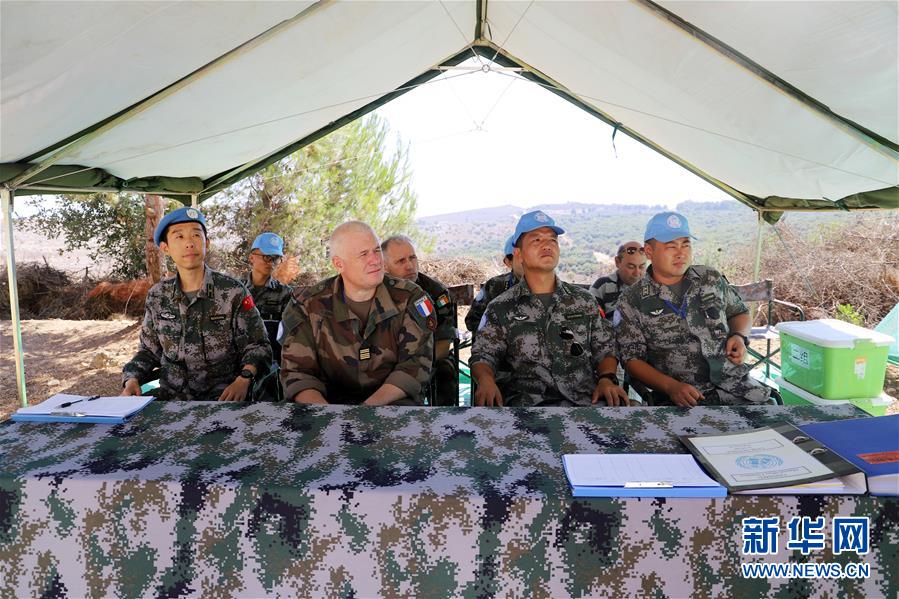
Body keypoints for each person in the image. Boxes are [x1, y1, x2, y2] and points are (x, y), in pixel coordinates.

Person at [470, 210, 629, 407]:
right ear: (518, 253)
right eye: (536, 240)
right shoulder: (500, 307)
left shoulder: (584, 300)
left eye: (552, 240)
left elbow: (605, 348)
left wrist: (607, 379)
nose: (547, 245)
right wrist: (486, 381)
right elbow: (483, 355)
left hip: (585, 404)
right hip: (527, 409)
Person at [615, 211, 770, 406]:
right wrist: (671, 387)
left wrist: (739, 336)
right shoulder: (631, 301)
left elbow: (739, 312)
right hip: (683, 400)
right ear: (649, 252)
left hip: (739, 389)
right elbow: (632, 361)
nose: (681, 253)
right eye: (671, 246)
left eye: (686, 244)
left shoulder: (710, 278)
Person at [122, 207, 271, 401]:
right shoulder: (158, 296)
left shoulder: (232, 291)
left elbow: (259, 346)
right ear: (165, 248)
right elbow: (149, 351)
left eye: (196, 235)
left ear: (206, 243)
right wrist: (131, 378)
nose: (189, 243)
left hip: (223, 400)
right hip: (172, 401)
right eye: (179, 236)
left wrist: (244, 379)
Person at [279, 221, 434, 406]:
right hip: (326, 407)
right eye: (363, 254)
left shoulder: (410, 298)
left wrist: (363, 413)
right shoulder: (308, 305)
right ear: (339, 264)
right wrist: (329, 417)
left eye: (377, 250)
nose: (375, 260)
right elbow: (298, 373)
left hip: (392, 405)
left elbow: (414, 367)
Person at [381, 235, 458, 406]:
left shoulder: (436, 292)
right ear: (385, 266)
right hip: (386, 358)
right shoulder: (375, 291)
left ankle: (442, 418)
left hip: (428, 357)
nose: (409, 265)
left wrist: (413, 368)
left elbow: (443, 344)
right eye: (401, 261)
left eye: (412, 258)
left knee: (445, 370)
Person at [244, 232, 292, 363]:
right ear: (251, 257)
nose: (271, 263)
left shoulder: (285, 293)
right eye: (266, 257)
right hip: (239, 362)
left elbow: (289, 336)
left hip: (271, 362)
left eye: (276, 258)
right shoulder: (236, 290)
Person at [464, 235, 523, 335]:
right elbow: (472, 321)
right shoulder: (494, 286)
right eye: (522, 257)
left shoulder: (549, 287)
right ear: (508, 262)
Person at [589, 241, 647, 319]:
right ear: (617, 262)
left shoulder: (653, 287)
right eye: (631, 267)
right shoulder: (603, 286)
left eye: (641, 267)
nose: (637, 273)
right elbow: (590, 319)